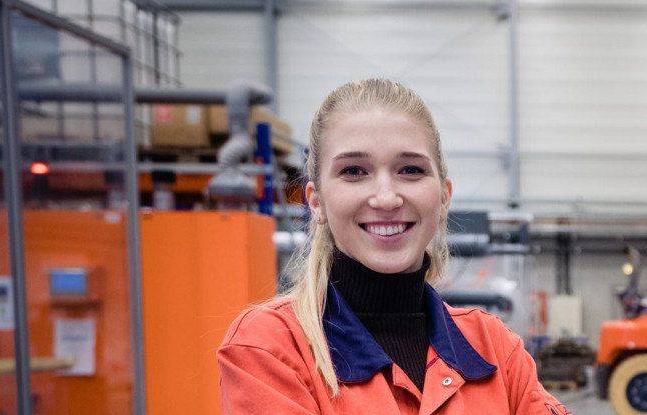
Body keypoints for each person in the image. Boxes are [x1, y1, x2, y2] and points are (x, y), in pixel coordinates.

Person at [217, 78, 569, 415]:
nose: (386, 198)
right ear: (316, 202)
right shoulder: (271, 347)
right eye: (354, 171)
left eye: (411, 170)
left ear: (444, 197)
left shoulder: (494, 348)